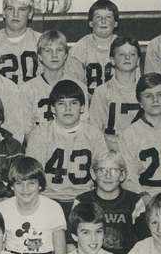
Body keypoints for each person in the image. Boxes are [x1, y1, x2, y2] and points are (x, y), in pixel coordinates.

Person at [24, 79, 109, 215]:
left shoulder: (93, 134)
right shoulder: (40, 133)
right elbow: (32, 176)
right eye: (61, 104)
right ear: (52, 108)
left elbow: (104, 170)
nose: (68, 109)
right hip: (48, 198)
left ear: (82, 108)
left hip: (84, 198)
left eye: (73, 103)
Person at [0, 156, 67, 254]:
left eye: (31, 183)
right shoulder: (3, 208)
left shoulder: (53, 208)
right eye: (19, 183)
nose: (25, 189)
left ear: (40, 185)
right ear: (11, 186)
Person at [75, 150, 148, 254]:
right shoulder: (82, 201)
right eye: (102, 170)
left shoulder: (134, 201)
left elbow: (145, 241)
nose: (108, 175)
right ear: (93, 174)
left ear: (122, 175)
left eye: (114, 170)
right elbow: (73, 241)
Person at [20, 30, 85, 132]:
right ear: (40, 56)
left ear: (65, 55)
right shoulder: (28, 88)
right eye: (48, 51)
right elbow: (26, 131)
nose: (54, 55)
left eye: (59, 50)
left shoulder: (79, 86)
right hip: (39, 144)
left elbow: (84, 127)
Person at [87, 36, 143, 150]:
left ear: (138, 60)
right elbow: (94, 131)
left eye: (132, 54)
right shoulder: (102, 91)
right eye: (121, 54)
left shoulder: (147, 91)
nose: (127, 57)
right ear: (112, 60)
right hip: (110, 151)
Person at [70, 0, 119, 95]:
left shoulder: (123, 46)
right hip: (89, 101)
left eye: (108, 17)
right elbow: (75, 84)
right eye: (98, 17)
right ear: (91, 23)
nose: (103, 21)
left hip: (117, 100)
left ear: (116, 23)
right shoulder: (79, 48)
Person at [0, 0, 42, 84]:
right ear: (4, 12)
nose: (15, 14)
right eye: (10, 9)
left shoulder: (41, 40)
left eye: (22, 9)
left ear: (30, 13)